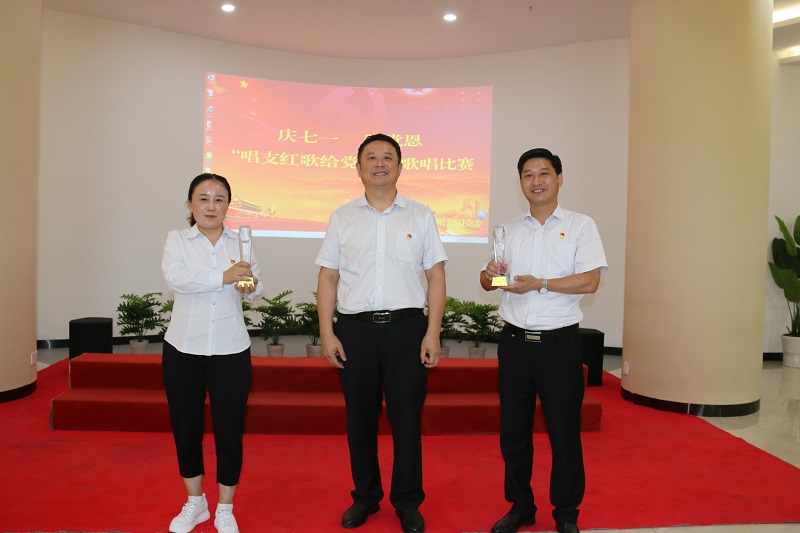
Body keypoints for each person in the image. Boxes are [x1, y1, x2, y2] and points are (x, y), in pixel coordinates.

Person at [316, 133, 447, 533]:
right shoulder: (342, 217)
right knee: (360, 420)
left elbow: (436, 276)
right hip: (354, 332)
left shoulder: (420, 215)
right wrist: (327, 333)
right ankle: (366, 497)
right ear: (358, 168)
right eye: (370, 157)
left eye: (387, 157)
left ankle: (407, 501)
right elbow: (328, 277)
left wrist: (433, 332)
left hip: (407, 330)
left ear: (400, 167)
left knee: (407, 421)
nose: (379, 163)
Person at [480, 149, 607, 533]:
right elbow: (491, 283)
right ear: (520, 182)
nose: (536, 181)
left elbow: (590, 281)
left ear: (559, 179)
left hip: (559, 346)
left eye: (544, 173)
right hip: (515, 344)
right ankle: (520, 507)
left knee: (564, 434)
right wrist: (491, 274)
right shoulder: (507, 230)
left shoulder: (581, 226)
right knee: (514, 434)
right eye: (528, 174)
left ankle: (566, 514)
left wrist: (542, 284)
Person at [161, 173, 263, 533]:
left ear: (227, 206)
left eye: (219, 199)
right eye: (203, 198)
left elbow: (255, 288)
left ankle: (225, 507)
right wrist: (224, 276)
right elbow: (176, 278)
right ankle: (195, 502)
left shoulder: (241, 242)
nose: (211, 206)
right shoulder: (178, 240)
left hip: (231, 348)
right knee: (186, 427)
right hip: (183, 348)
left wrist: (249, 283)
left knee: (229, 430)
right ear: (190, 204)